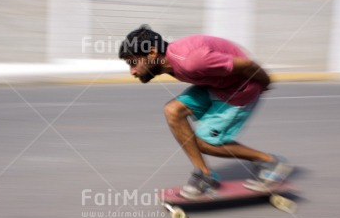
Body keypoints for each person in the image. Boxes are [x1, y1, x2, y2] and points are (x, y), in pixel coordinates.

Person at [118, 25, 293, 199]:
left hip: (240, 89)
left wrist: (265, 83)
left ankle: (270, 162)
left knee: (205, 142)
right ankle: (205, 176)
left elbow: (247, 65)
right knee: (173, 111)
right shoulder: (170, 62)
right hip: (215, 84)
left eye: (133, 63)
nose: (132, 71)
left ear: (153, 53)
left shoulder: (191, 61)